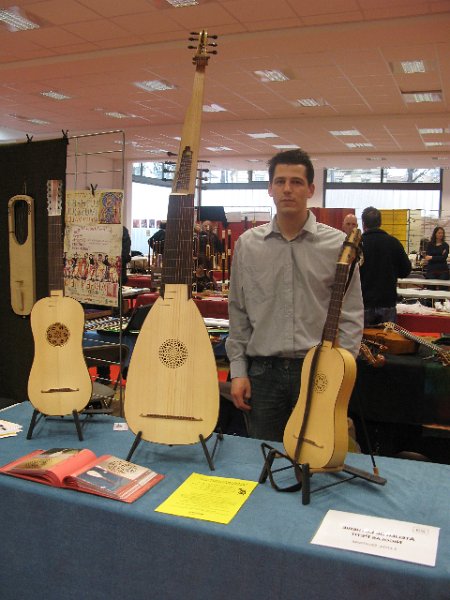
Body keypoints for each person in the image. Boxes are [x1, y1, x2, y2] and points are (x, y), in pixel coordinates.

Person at [225, 148, 364, 442]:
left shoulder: (337, 245)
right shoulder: (248, 245)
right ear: (270, 188)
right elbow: (238, 312)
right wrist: (238, 370)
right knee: (265, 461)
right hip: (262, 374)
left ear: (311, 189)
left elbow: (351, 316)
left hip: (317, 372)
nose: (287, 189)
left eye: (297, 182)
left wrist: (341, 372)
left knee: (315, 461)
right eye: (280, 181)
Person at [359, 206, 411, 327]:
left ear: (363, 223)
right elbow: (405, 271)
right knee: (388, 342)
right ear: (380, 223)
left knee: (363, 343)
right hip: (387, 302)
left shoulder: (358, 244)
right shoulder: (393, 242)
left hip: (363, 303)